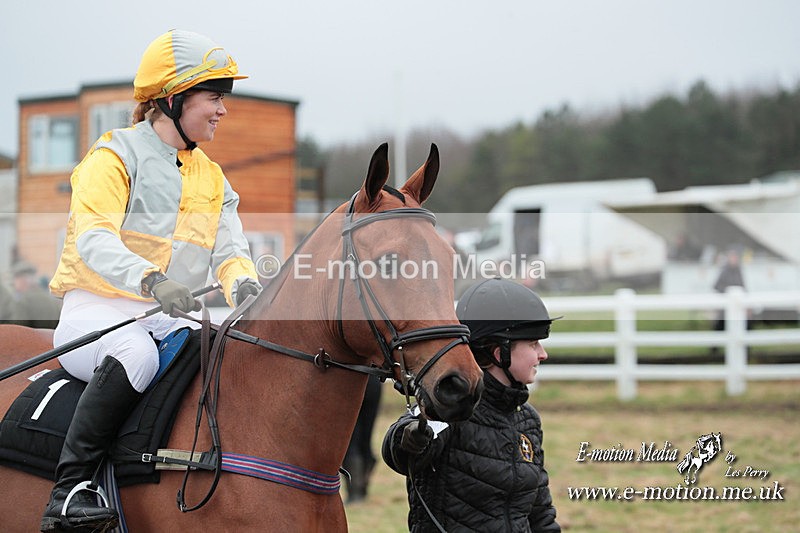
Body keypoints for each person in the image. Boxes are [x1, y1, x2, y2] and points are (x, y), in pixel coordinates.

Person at [40, 30, 261, 532]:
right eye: (214, 97)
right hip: (96, 310)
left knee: (230, 343)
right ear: (173, 98)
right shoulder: (112, 156)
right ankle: (69, 492)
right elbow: (94, 238)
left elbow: (230, 252)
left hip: (163, 313)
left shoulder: (213, 178)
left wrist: (244, 286)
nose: (222, 110)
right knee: (136, 353)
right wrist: (152, 280)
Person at [382, 277, 561, 532]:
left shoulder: (527, 419)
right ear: (500, 352)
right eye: (533, 344)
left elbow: (540, 512)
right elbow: (400, 453)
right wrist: (410, 437)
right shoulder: (450, 406)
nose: (543, 354)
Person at [2, 261, 62, 328]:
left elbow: (18, 328)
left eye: (14, 281)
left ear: (22, 281)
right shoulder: (52, 300)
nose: (14, 285)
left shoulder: (24, 301)